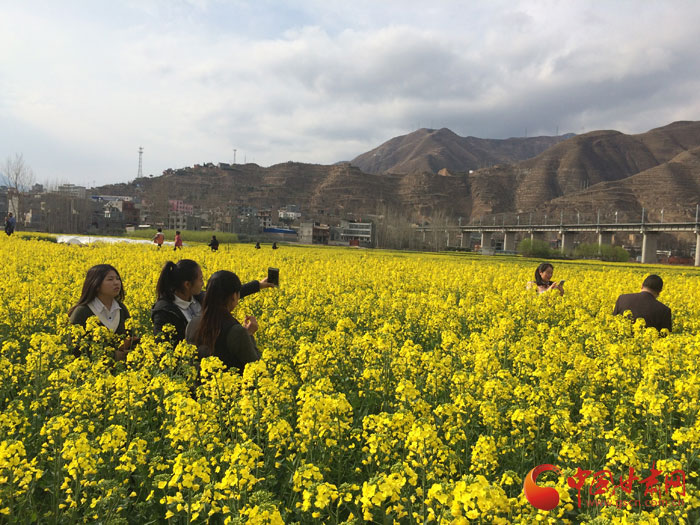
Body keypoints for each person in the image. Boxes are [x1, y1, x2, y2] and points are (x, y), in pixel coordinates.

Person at [151, 259, 274, 343]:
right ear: (187, 284)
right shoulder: (164, 312)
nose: (203, 283)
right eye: (200, 279)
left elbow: (228, 294)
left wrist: (259, 285)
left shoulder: (199, 299)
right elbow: (163, 348)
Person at [186, 271, 260, 374]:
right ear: (234, 296)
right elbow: (256, 368)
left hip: (200, 388)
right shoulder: (236, 331)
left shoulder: (192, 324)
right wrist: (249, 334)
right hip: (231, 388)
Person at [68, 264, 138, 359]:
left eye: (117, 278)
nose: (116, 282)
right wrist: (112, 356)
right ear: (96, 285)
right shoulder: (82, 312)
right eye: (110, 279)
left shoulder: (121, 308)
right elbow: (74, 349)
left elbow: (132, 337)